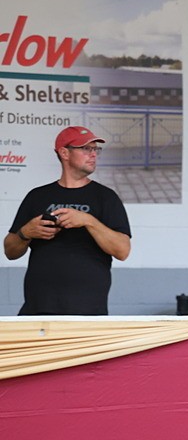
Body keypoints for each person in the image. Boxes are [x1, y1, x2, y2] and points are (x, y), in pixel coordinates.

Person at [4, 125, 131, 315]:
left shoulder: (106, 197)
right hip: (38, 310)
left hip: (88, 312)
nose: (93, 154)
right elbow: (10, 251)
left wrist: (89, 221)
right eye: (86, 148)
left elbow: (122, 250)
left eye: (96, 149)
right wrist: (25, 232)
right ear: (64, 152)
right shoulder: (37, 196)